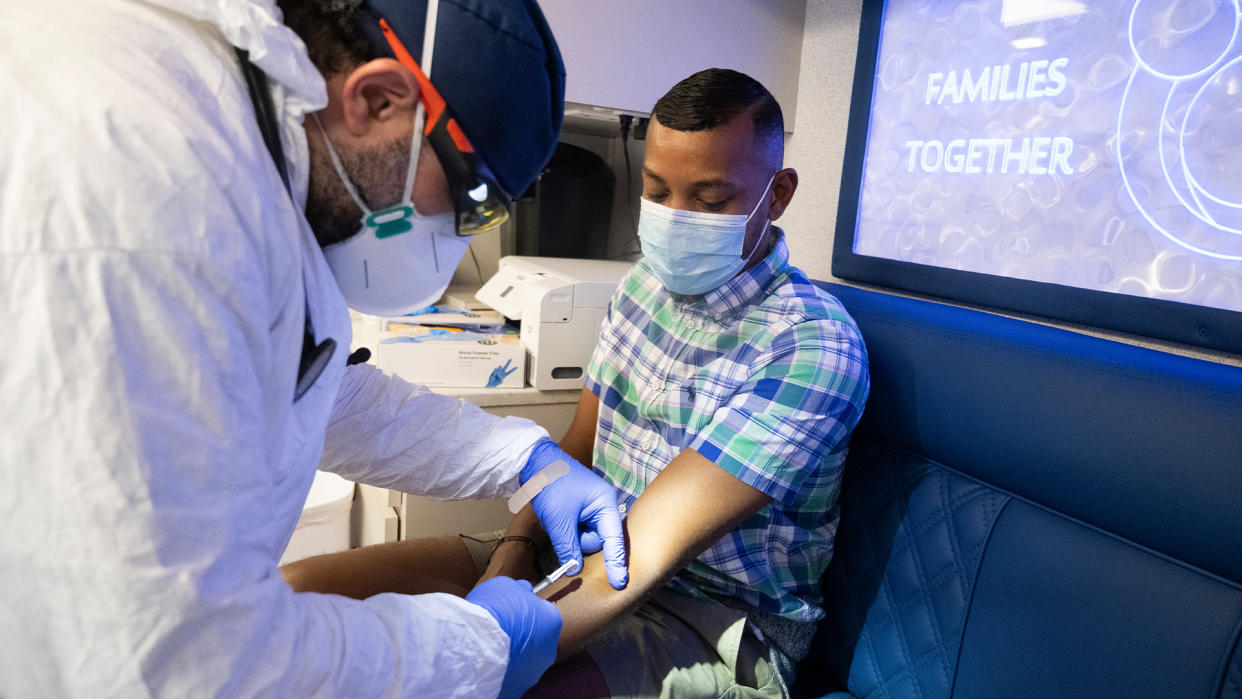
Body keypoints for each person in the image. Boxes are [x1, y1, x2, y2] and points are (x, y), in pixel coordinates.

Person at [0, 0, 627, 697]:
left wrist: (525, 460)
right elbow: (184, 660)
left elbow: (309, 383)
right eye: (470, 197)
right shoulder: (146, 190)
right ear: (376, 98)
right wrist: (474, 648)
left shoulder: (253, 144)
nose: (456, 235)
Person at [285, 67, 872, 697]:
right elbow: (575, 453)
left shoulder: (810, 346)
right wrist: (512, 550)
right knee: (294, 596)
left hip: (705, 616)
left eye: (708, 201)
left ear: (777, 194)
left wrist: (480, 642)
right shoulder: (643, 288)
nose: (676, 220)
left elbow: (648, 554)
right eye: (657, 191)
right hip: (571, 555)